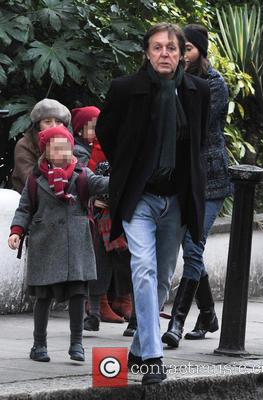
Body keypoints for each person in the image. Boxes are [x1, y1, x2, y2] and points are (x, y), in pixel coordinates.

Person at [96, 22, 210, 385]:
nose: (165, 54)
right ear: (146, 52)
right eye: (158, 47)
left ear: (181, 54)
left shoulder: (197, 91)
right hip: (140, 197)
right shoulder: (126, 89)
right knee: (142, 269)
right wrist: (130, 170)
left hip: (176, 199)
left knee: (160, 277)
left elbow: (199, 141)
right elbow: (107, 134)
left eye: (172, 48)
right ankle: (153, 357)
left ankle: (135, 352)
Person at [8, 126, 109, 363]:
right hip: (45, 244)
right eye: (57, 148)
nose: (63, 152)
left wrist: (126, 175)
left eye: (66, 146)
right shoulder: (35, 179)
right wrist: (16, 232)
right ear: (46, 151)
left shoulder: (82, 176)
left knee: (77, 294)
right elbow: (25, 209)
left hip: (76, 245)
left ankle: (76, 344)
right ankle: (39, 344)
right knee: (42, 297)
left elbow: (104, 185)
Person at [162, 24, 232, 348]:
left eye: (187, 48)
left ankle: (176, 322)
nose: (182, 54)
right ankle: (207, 314)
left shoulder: (214, 85)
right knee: (190, 249)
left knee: (193, 247)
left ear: (200, 52)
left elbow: (193, 125)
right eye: (180, 48)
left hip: (211, 179)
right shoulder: (172, 81)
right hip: (182, 177)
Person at [71, 107, 134, 327]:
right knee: (101, 259)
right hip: (95, 213)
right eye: (92, 127)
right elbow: (88, 178)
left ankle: (121, 300)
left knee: (122, 256)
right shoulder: (80, 152)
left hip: (111, 210)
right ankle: (97, 307)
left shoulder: (106, 146)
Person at [12, 98, 71, 193]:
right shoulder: (24, 145)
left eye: (58, 122)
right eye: (47, 122)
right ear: (38, 125)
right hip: (30, 200)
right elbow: (30, 180)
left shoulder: (67, 143)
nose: (54, 126)